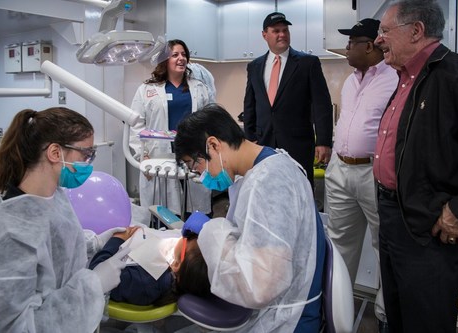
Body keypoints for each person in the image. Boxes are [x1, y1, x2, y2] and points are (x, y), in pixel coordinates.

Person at [372, 1, 458, 332]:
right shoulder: (405, 78)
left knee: (426, 322)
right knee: (399, 316)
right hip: (395, 218)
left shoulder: (457, 75)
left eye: (384, 31)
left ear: (416, 31)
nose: (378, 40)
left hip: (431, 230)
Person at [174, 104, 326, 332]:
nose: (201, 175)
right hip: (278, 305)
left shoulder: (269, 181)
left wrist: (211, 232)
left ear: (213, 145)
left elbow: (260, 286)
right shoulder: (262, 168)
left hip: (287, 320)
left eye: (196, 165)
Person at [0, 107, 130, 332]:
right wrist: (93, 286)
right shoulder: (10, 231)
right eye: (86, 154)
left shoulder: (53, 196)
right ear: (54, 153)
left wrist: (94, 242)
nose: (89, 163)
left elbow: (54, 245)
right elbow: (9, 327)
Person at [324, 18, 398, 332]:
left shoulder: (395, 78)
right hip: (341, 169)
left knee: (386, 245)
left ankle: (384, 316)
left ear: (369, 46)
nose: (346, 48)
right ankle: (336, 310)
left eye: (351, 42)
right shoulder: (352, 79)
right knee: (339, 246)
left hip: (375, 172)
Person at [243, 12, 333, 189]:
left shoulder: (308, 63)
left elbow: (321, 104)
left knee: (300, 193)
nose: (282, 34)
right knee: (267, 191)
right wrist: (250, 137)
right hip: (263, 144)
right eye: (276, 30)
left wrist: (323, 141)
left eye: (285, 30)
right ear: (264, 35)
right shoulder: (254, 66)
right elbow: (250, 105)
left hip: (298, 145)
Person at [130, 39, 214, 218]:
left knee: (195, 212)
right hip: (159, 157)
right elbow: (136, 124)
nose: (181, 58)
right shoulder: (146, 89)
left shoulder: (199, 88)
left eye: (184, 54)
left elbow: (210, 120)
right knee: (162, 215)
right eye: (175, 55)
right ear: (164, 60)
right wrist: (142, 155)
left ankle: (193, 244)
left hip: (193, 156)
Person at [89, 224, 211, 306]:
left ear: (176, 265)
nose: (183, 236)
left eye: (186, 238)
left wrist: (117, 239)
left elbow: (96, 276)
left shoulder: (144, 282)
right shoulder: (186, 268)